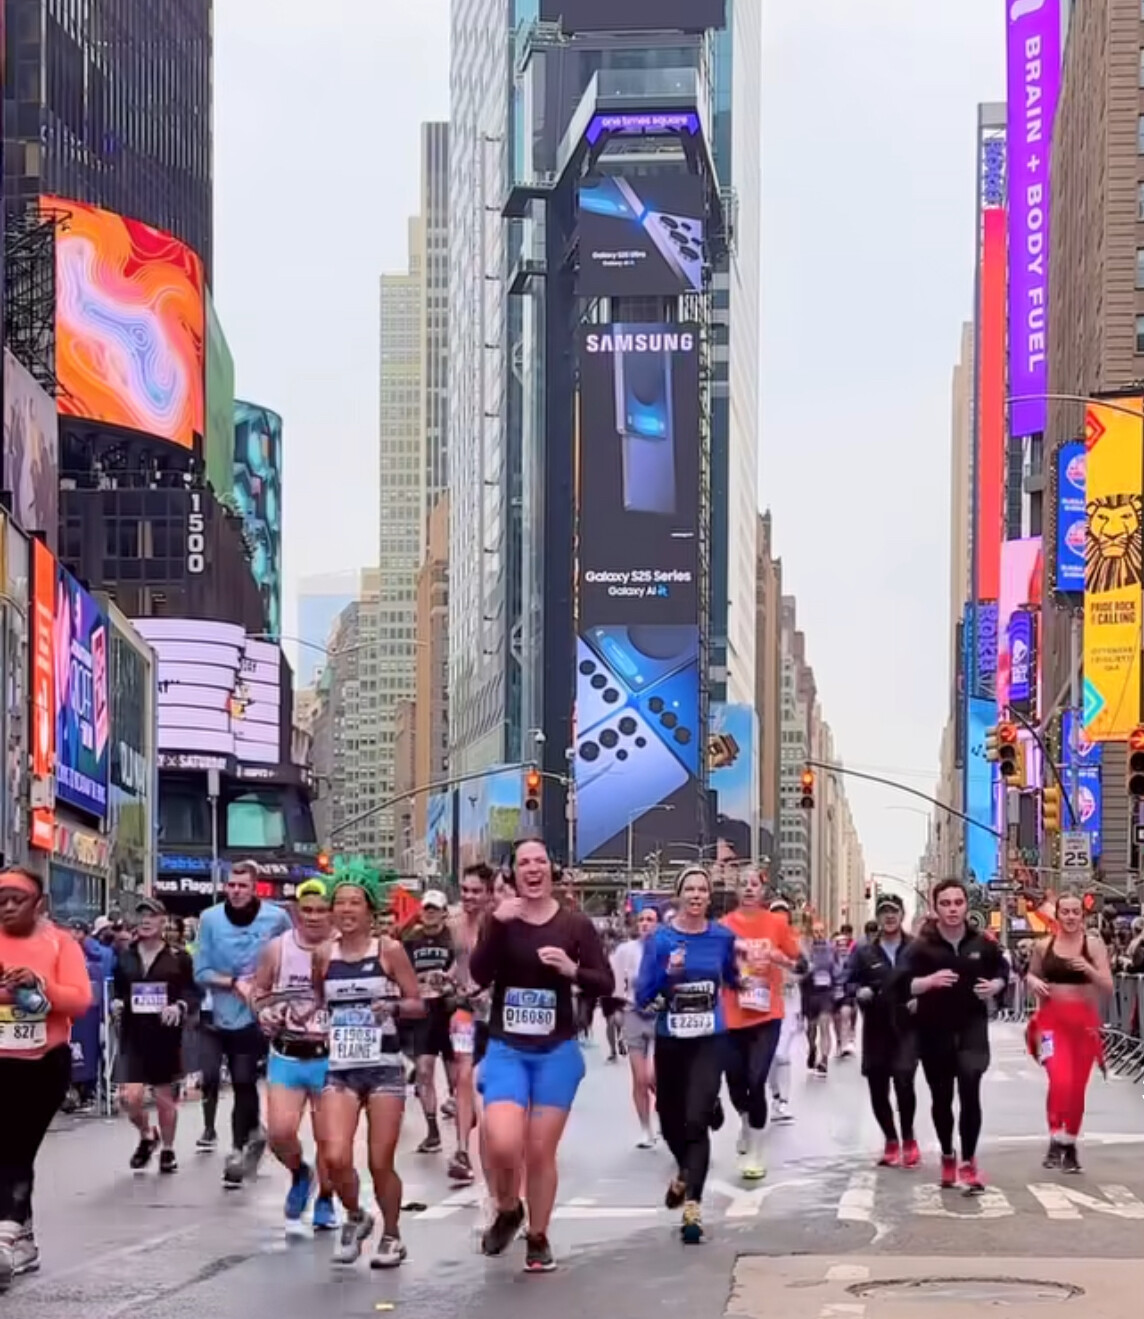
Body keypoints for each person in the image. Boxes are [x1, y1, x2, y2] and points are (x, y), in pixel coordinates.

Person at [470, 837, 612, 1273]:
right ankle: (509, 1208)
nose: (533, 869)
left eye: (540, 861)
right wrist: (495, 924)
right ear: (512, 874)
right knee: (502, 1142)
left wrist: (572, 970)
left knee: (539, 1151)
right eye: (524, 863)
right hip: (507, 1048)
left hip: (556, 1051)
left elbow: (604, 982)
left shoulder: (575, 925)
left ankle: (538, 1236)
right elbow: (479, 974)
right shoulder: (502, 919)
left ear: (552, 870)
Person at [314, 869, 423, 1269]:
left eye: (354, 903)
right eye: (339, 903)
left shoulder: (388, 950)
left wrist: (391, 1006)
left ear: (370, 910)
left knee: (380, 1162)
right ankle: (357, 1215)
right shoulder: (323, 955)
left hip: (384, 1067)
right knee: (335, 1157)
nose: (346, 910)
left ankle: (392, 1235)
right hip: (341, 1067)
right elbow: (318, 1003)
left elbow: (417, 1003)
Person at [635, 865, 739, 1244]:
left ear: (709, 897)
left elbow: (731, 975)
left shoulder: (722, 937)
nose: (696, 895)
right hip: (672, 1038)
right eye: (690, 889)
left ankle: (692, 1207)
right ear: (679, 896)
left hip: (710, 1038)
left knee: (696, 1121)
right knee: (670, 1121)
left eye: (702, 890)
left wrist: (747, 981)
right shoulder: (661, 939)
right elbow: (644, 995)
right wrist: (669, 975)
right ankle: (684, 1173)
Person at [0, 867, 93, 1288]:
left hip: (42, 1063)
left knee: (17, 1148)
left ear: (40, 904)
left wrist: (40, 985)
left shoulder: (60, 942)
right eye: (1, 900)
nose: (7, 907)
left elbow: (80, 1000)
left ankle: (5, 1240)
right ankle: (22, 1238)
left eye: (17, 899)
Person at [902, 879, 1008, 1192]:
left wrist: (996, 986)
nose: (952, 909)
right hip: (934, 1028)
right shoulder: (920, 948)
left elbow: (1003, 971)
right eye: (946, 903)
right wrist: (926, 983)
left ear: (966, 906)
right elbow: (900, 983)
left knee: (970, 1088)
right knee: (942, 1097)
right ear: (935, 908)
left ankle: (969, 1161)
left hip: (972, 1027)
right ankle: (948, 1154)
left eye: (958, 903)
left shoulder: (982, 943)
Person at [192, 861, 291, 1187]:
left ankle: (237, 1150)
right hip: (218, 1012)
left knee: (243, 1078)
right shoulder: (210, 919)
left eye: (242, 886)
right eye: (231, 885)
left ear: (254, 887)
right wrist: (234, 983)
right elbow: (200, 972)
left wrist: (268, 989)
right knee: (212, 1077)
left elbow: (290, 960)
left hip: (256, 1013)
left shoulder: (276, 918)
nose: (235, 891)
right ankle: (253, 1133)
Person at [252, 877, 339, 1232]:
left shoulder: (344, 948)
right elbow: (258, 992)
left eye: (321, 910)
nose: (314, 917)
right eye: (307, 911)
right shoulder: (278, 948)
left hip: (332, 1057)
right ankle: (300, 1173)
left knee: (330, 1141)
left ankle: (325, 1199)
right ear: (296, 913)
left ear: (332, 913)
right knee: (280, 1133)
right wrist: (264, 1014)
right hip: (287, 1054)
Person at [721, 870, 801, 1178]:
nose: (748, 889)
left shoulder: (776, 924)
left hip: (767, 1015)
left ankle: (755, 1150)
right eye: (743, 884)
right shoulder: (724, 926)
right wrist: (733, 974)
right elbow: (713, 965)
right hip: (732, 1014)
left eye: (754, 884)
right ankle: (745, 1121)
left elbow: (802, 964)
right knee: (736, 1082)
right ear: (735, 890)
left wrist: (781, 959)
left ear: (763, 890)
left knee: (756, 1081)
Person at [1025, 891, 1114, 1172]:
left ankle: (1070, 1144)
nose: (1071, 917)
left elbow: (1107, 986)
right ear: (1058, 915)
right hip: (1051, 1022)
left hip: (1084, 1024)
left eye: (1076, 912)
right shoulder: (1044, 946)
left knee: (1077, 1087)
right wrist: (1032, 982)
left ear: (1083, 915)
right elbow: (1031, 974)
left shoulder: (1093, 945)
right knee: (1059, 1079)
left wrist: (1088, 969)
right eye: (1066, 911)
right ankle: (1055, 1135)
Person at [113, 897, 196, 1174]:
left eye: (151, 916)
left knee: (164, 1098)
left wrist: (179, 1006)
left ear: (163, 921)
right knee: (129, 1098)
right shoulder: (125, 956)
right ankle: (148, 1135)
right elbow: (119, 989)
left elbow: (192, 992)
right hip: (133, 1034)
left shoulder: (179, 957)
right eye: (141, 916)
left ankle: (168, 1149)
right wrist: (117, 1002)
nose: (146, 921)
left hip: (165, 1035)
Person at [847, 895, 919, 1167]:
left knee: (904, 1081)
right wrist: (859, 991)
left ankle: (909, 1139)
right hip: (876, 1026)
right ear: (877, 917)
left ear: (902, 915)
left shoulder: (916, 948)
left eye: (894, 911)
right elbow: (848, 981)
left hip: (906, 1027)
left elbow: (932, 978)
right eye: (884, 912)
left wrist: (921, 1000)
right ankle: (890, 1140)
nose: (889, 916)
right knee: (878, 1087)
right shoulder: (864, 951)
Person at [447, 862, 494, 1184]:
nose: (469, 896)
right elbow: (456, 964)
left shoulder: (499, 926)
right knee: (463, 1074)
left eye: (476, 891)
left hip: (496, 1015)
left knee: (487, 1081)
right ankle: (462, 1149)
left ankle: (497, 1140)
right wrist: (445, 980)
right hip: (465, 1012)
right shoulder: (454, 924)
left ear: (489, 894)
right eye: (465, 890)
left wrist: (488, 991)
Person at [401, 888, 457, 1155]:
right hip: (424, 1012)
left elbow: (465, 967)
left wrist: (449, 983)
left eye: (435, 909)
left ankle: (464, 1132)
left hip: (450, 1011)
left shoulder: (453, 938)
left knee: (456, 1075)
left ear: (444, 913)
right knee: (424, 1070)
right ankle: (432, 1131)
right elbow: (401, 971)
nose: (430, 914)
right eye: (426, 909)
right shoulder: (412, 940)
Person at [610, 906, 661, 1147]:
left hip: (659, 1016)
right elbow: (617, 983)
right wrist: (616, 1010)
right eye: (641, 919)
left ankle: (667, 1115)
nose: (645, 923)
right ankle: (645, 1129)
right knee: (640, 1078)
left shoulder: (666, 949)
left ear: (658, 924)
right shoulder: (625, 950)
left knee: (654, 1076)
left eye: (650, 919)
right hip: (633, 1014)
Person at [767, 898, 805, 1123]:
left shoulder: (795, 942)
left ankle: (783, 1101)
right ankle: (775, 1094)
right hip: (765, 1003)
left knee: (781, 1053)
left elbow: (805, 967)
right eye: (775, 913)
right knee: (770, 1055)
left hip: (790, 1004)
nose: (780, 918)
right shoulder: (762, 941)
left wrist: (792, 977)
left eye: (783, 913)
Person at [802, 924, 837, 1075]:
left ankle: (824, 1060)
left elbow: (838, 968)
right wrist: (806, 969)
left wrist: (837, 982)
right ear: (811, 934)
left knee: (824, 1026)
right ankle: (812, 1048)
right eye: (816, 932)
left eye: (821, 931)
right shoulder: (806, 950)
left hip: (826, 994)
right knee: (811, 1028)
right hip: (810, 993)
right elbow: (799, 970)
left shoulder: (832, 949)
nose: (819, 934)